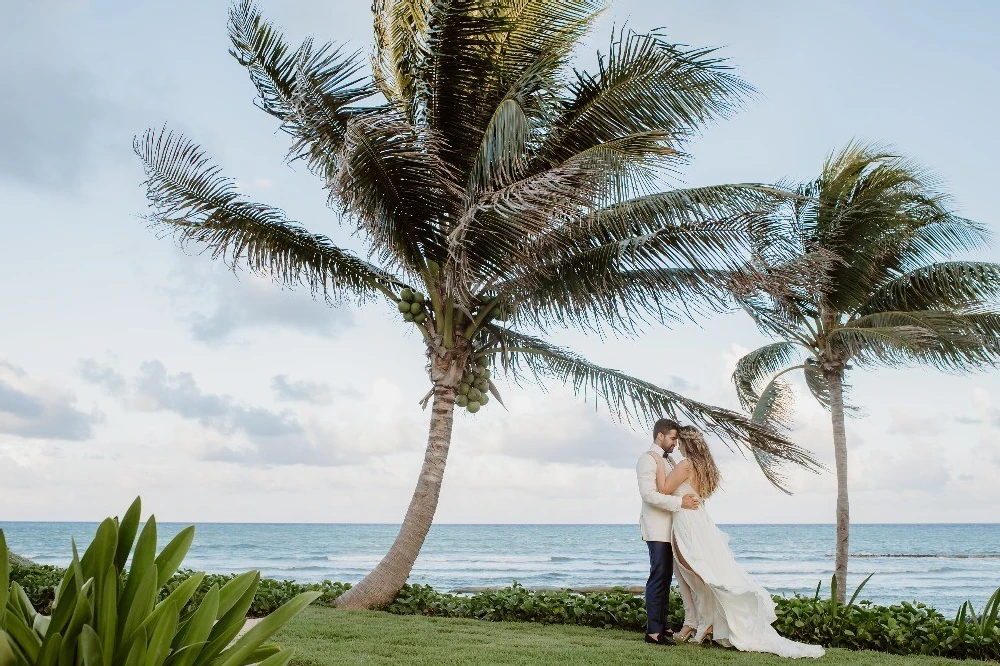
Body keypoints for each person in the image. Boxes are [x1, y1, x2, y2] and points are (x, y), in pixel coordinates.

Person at [652, 425, 825, 658]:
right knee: (695, 574)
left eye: (679, 442)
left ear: (686, 443)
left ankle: (705, 624)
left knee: (697, 574)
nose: (678, 446)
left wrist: (658, 460)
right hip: (701, 521)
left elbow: (663, 488)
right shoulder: (706, 467)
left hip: (687, 522)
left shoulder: (686, 464)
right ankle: (703, 624)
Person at [635, 418, 700, 646]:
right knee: (658, 578)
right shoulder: (647, 460)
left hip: (672, 529)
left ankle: (662, 625)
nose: (675, 443)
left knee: (665, 578)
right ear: (660, 436)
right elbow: (649, 495)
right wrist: (679, 503)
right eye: (672, 438)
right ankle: (653, 632)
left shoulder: (669, 459)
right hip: (657, 529)